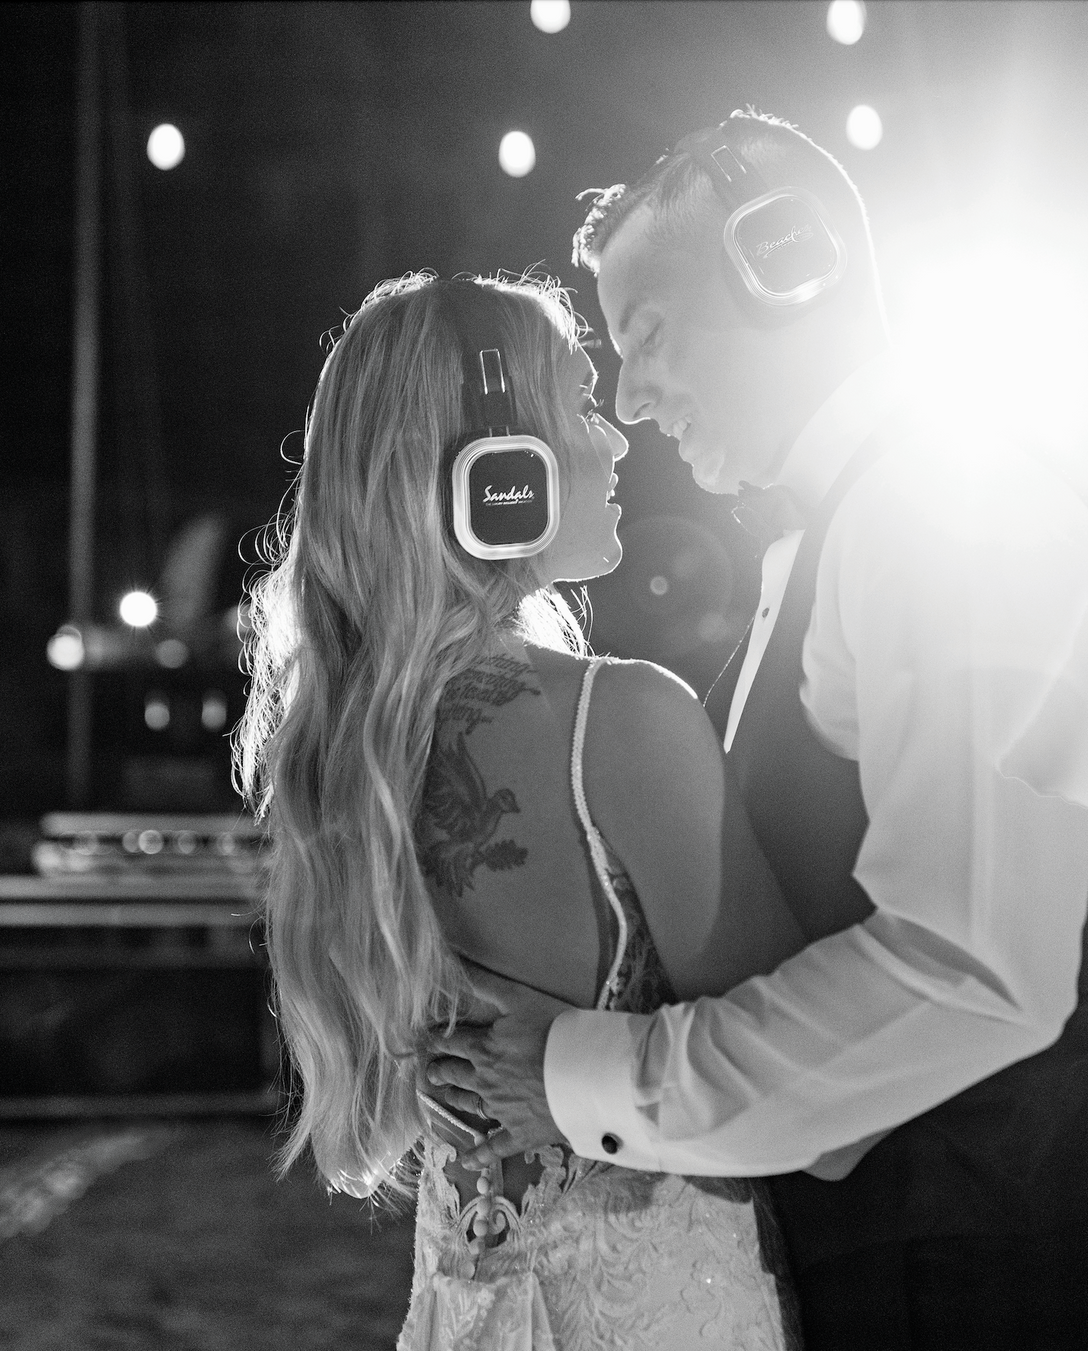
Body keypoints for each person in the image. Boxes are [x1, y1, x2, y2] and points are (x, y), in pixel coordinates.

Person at [423, 111, 1088, 1350]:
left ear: (787, 265)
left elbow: (970, 970)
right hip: (908, 1261)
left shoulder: (943, 509)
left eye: (651, 336)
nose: (635, 394)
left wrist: (578, 1075)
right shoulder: (841, 533)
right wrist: (1059, 859)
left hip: (988, 1273)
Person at [236, 271, 809, 1348]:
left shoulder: (337, 752)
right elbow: (802, 1078)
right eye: (582, 403)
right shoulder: (622, 725)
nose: (617, 439)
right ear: (500, 477)